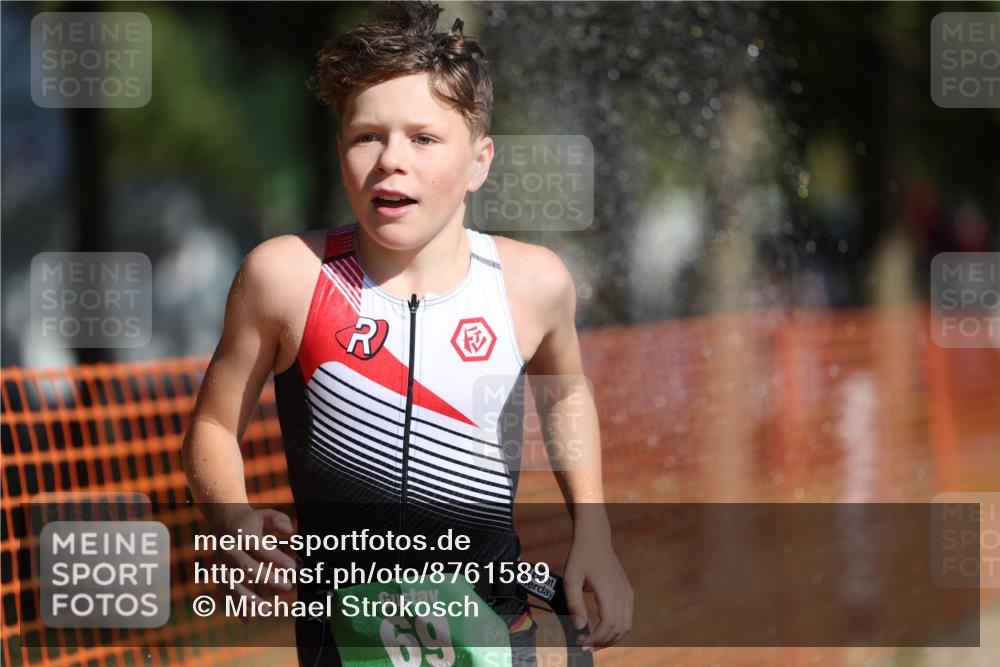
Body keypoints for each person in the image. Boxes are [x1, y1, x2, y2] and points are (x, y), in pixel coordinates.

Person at [181, 2, 632, 664]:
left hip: (498, 634)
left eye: (424, 138)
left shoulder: (533, 283)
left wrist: (593, 530)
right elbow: (213, 428)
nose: (391, 160)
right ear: (341, 153)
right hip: (347, 643)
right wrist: (231, 516)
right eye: (368, 136)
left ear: (479, 162)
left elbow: (563, 392)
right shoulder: (286, 276)